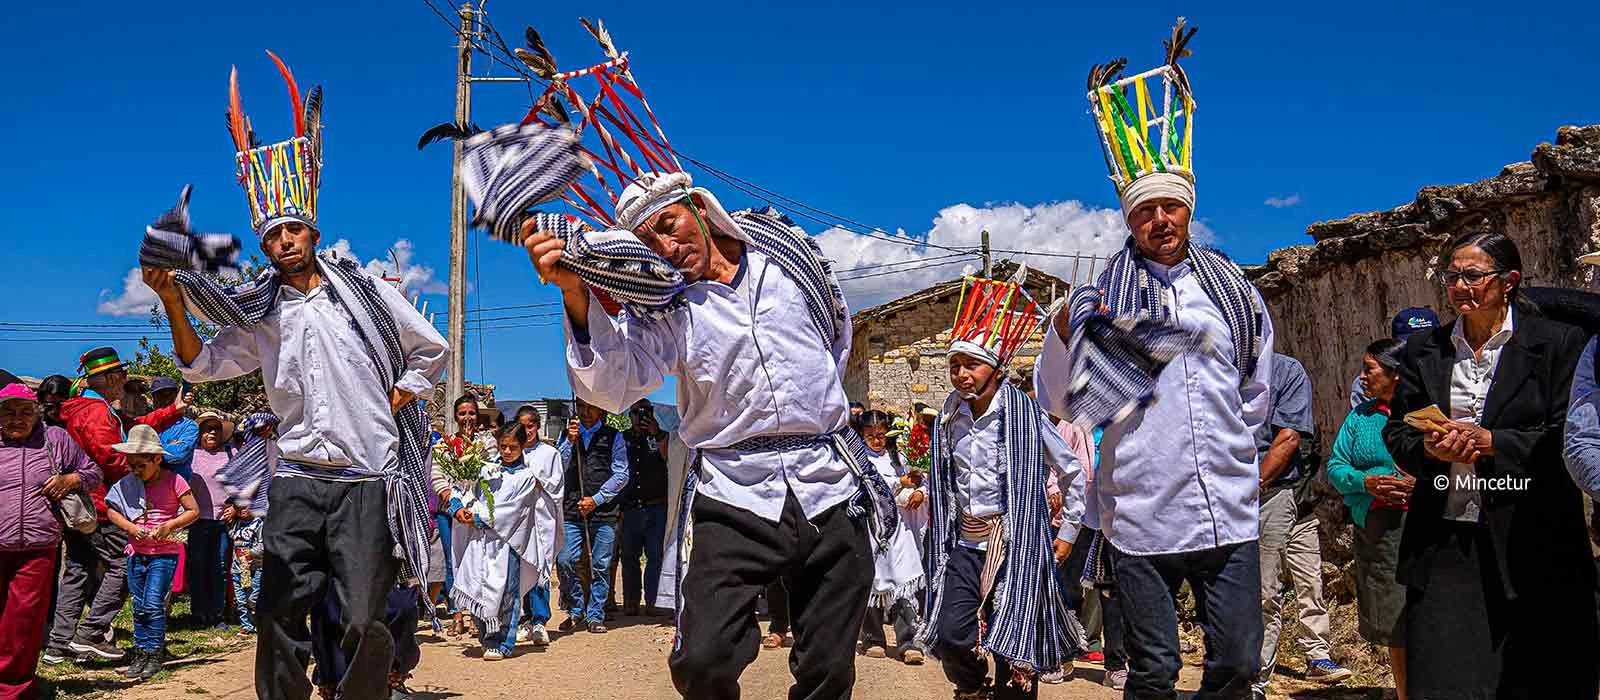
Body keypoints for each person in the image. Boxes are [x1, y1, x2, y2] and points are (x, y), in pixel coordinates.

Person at [140, 55, 449, 700]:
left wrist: (402, 392)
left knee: (365, 618)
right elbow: (202, 363)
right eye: (271, 231)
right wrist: (173, 298)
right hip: (299, 480)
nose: (283, 239)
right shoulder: (262, 310)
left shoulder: (362, 288)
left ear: (313, 228)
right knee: (278, 612)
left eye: (293, 228)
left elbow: (433, 351)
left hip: (367, 476)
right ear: (264, 238)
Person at [1036, 25, 1274, 698]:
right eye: (1146, 211)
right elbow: (1062, 403)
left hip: (1227, 510)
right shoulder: (1102, 299)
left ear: (1189, 209)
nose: (1160, 219)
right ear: (1130, 220)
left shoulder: (1231, 293)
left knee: (1233, 666)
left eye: (1171, 206)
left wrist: (1234, 456)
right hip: (1139, 516)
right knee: (1153, 671)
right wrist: (1060, 334)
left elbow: (1254, 392)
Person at [1382, 230, 1597, 697]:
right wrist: (1430, 450)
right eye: (1452, 276)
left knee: (1538, 676)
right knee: (1447, 678)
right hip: (1444, 541)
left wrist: (1492, 441)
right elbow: (1397, 431)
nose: (1460, 286)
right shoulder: (1425, 352)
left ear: (1508, 282)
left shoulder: (1559, 345)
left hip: (1532, 538)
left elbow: (1569, 434)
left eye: (1473, 276)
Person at [918, 277, 1086, 699]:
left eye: (970, 365)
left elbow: (1071, 472)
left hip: (1018, 544)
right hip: (964, 545)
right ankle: (972, 687)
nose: (961, 374)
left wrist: (1067, 532)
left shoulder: (1027, 416)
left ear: (995, 369)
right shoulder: (946, 421)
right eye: (955, 365)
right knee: (952, 634)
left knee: (1016, 653)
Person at [50, 347, 187, 663]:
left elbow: (135, 426)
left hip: (84, 507)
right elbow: (110, 456)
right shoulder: (96, 413)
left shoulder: (91, 408)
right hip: (102, 506)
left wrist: (172, 411)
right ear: (112, 377)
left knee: (78, 570)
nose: (126, 380)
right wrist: (145, 472)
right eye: (123, 375)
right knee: (123, 566)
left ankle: (59, 645)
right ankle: (91, 633)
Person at [1253, 354, 1350, 695]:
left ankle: (1317, 655)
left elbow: (1306, 458)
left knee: (1310, 585)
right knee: (1268, 591)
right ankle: (1255, 674)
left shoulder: (1300, 424)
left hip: (1297, 510)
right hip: (1275, 505)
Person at [0, 383, 100, 697]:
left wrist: (70, 479)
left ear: (37, 414)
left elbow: (93, 471)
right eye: (9, 411)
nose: (17, 418)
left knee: (24, 620)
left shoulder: (54, 439)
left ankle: (12, 687)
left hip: (39, 546)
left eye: (25, 411)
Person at [1327, 339, 1413, 699]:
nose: (1362, 376)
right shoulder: (1360, 419)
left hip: (1425, 528)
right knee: (1394, 621)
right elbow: (1335, 465)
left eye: (1369, 368)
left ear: (1395, 374)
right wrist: (1366, 482)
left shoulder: (1423, 413)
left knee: (1430, 613)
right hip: (1379, 530)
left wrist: (1420, 483)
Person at [104, 424, 202, 680]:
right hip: (136, 552)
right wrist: (129, 526)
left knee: (153, 603)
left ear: (157, 459)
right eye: (131, 465)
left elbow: (193, 511)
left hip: (164, 554)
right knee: (138, 605)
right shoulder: (127, 484)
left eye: (140, 465)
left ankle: (153, 652)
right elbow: (112, 509)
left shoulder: (175, 481)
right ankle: (140, 652)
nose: (135, 470)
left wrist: (170, 525)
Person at [448, 422, 553, 660]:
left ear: (523, 446)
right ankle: (487, 638)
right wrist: (458, 508)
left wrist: (479, 516)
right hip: (480, 540)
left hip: (509, 543)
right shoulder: (484, 468)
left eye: (512, 447)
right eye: (503, 446)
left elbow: (514, 510)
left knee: (508, 592)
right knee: (479, 587)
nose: (506, 452)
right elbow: (463, 487)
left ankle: (504, 641)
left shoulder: (526, 477)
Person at [856, 410, 926, 665]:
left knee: (905, 580)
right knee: (874, 580)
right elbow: (870, 488)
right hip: (873, 528)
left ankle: (909, 641)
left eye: (881, 435)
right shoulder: (859, 460)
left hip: (901, 529)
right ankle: (873, 638)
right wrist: (901, 485)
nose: (876, 441)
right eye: (870, 436)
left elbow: (921, 479)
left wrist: (920, 491)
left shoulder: (901, 457)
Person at [554, 398, 628, 634]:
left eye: (591, 407)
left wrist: (595, 500)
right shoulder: (567, 435)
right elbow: (557, 469)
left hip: (604, 511)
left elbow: (621, 475)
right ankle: (576, 608)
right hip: (572, 510)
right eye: (582, 407)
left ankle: (596, 614)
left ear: (601, 409)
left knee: (600, 564)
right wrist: (569, 442)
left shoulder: (613, 436)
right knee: (565, 559)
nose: (585, 412)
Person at [511, 406, 562, 647]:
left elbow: (557, 486)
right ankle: (525, 619)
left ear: (538, 426)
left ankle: (540, 620)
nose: (527, 430)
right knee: (521, 569)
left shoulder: (550, 453)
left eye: (531, 425)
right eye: (522, 425)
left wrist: (538, 483)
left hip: (542, 519)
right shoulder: (512, 452)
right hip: (518, 523)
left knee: (540, 568)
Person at [618, 399, 670, 617]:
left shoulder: (662, 437)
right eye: (636, 412)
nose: (641, 416)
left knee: (655, 556)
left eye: (646, 411)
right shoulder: (622, 439)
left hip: (656, 505)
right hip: (630, 507)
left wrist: (656, 432)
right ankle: (631, 599)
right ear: (629, 416)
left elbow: (668, 457)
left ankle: (653, 600)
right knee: (629, 556)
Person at [185, 409, 236, 629]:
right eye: (207, 429)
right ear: (200, 434)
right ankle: (199, 613)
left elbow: (244, 483)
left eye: (215, 429)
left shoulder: (231, 453)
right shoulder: (190, 454)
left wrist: (235, 506)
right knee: (197, 566)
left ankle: (217, 615)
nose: (212, 433)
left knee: (220, 567)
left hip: (223, 520)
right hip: (198, 519)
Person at [1350, 309, 1440, 408]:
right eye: (1410, 345)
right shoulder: (1368, 382)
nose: (1417, 350)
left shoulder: (1453, 372)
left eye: (1426, 344)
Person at [151, 378, 198, 478]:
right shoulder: (148, 424)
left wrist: (149, 449)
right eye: (160, 395)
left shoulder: (189, 426)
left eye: (169, 394)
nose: (165, 399)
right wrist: (168, 445)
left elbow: (178, 455)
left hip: (177, 490)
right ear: (153, 399)